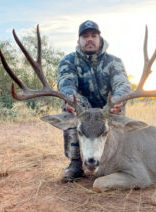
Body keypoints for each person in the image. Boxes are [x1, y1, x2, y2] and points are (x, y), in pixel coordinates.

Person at [57, 20, 131, 182]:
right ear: (79, 41)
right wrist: (72, 101)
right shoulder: (69, 61)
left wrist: (118, 100)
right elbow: (66, 85)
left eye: (93, 35)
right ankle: (76, 162)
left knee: (121, 102)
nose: (89, 39)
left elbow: (122, 84)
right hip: (83, 111)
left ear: (99, 39)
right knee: (66, 104)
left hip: (108, 111)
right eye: (85, 36)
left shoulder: (113, 61)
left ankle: (116, 161)